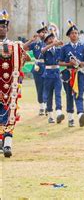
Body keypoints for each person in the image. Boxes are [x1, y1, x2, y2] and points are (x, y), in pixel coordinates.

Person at [0, 10, 29, 157]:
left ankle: (7, 144)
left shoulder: (15, 46)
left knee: (10, 114)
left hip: (10, 87)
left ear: (7, 29)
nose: (1, 29)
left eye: (4, 26)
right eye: (0, 26)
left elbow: (25, 58)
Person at [59, 20, 84, 127]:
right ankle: (70, 118)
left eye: (76, 33)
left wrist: (82, 64)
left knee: (79, 94)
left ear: (78, 35)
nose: (74, 35)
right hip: (68, 74)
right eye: (72, 33)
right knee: (69, 95)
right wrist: (68, 63)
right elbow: (59, 62)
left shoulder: (82, 47)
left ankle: (80, 114)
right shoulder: (64, 48)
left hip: (79, 74)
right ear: (69, 35)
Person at [23, 22, 48, 116]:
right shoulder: (35, 44)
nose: (44, 34)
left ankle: (46, 106)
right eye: (42, 32)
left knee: (47, 87)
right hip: (38, 66)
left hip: (47, 66)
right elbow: (23, 48)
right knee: (39, 87)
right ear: (38, 34)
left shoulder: (49, 43)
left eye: (45, 32)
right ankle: (41, 106)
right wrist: (31, 40)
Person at [40, 30, 64, 124]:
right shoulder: (45, 48)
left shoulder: (57, 49)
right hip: (48, 74)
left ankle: (59, 112)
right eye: (49, 38)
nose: (52, 39)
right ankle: (50, 114)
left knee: (58, 93)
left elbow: (63, 54)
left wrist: (61, 45)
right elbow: (42, 51)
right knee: (49, 95)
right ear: (46, 41)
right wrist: (52, 44)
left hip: (57, 73)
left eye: (52, 38)